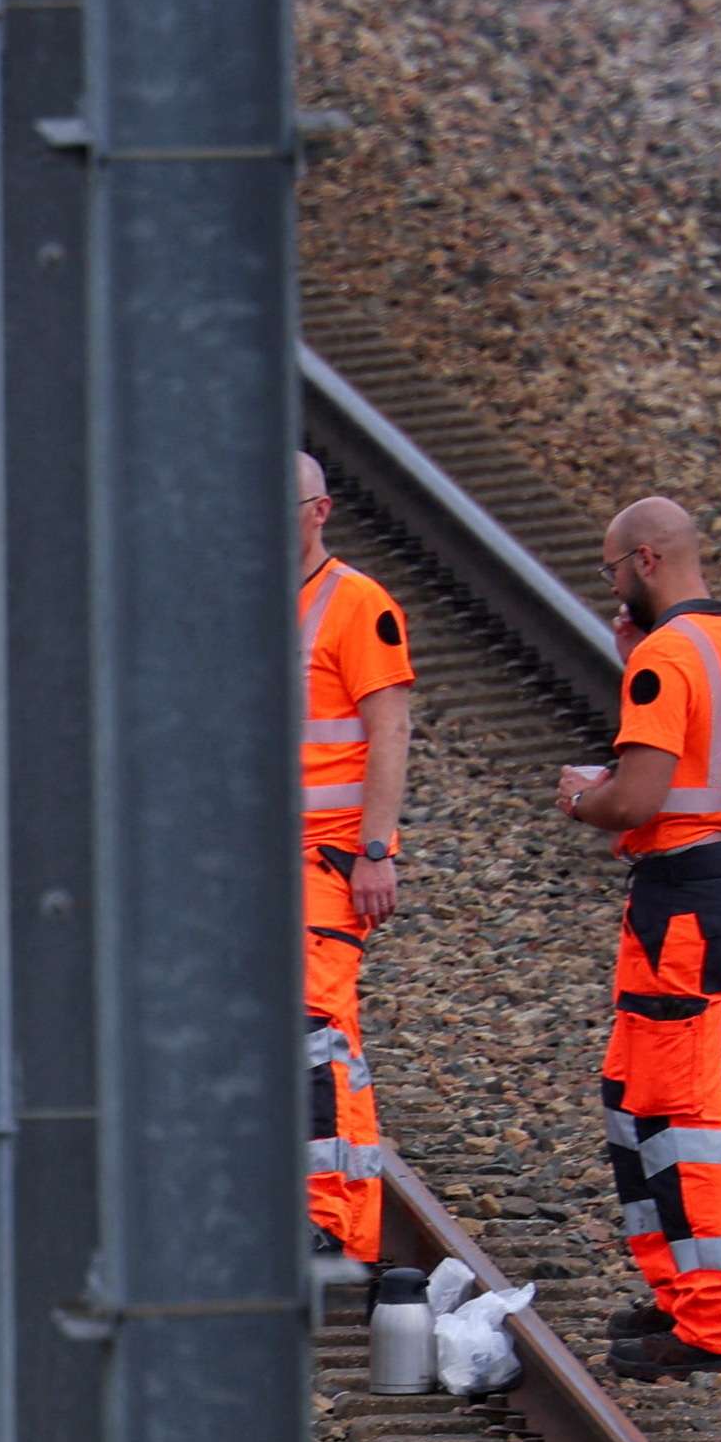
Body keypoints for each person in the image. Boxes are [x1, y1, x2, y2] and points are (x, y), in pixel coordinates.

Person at [554, 495, 721, 1379]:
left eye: (610, 571)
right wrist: (634, 659)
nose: (610, 586)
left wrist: (581, 796)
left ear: (645, 561)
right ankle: (680, 1295)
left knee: (680, 1113)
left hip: (684, 900)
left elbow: (638, 798)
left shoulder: (667, 661)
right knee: (636, 1092)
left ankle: (714, 1325)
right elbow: (707, 759)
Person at [294, 453, 413, 1266]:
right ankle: (333, 1221)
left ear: (320, 510)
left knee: (314, 1030)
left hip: (331, 859)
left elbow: (389, 732)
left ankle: (328, 1219)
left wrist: (374, 851)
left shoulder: (358, 603)